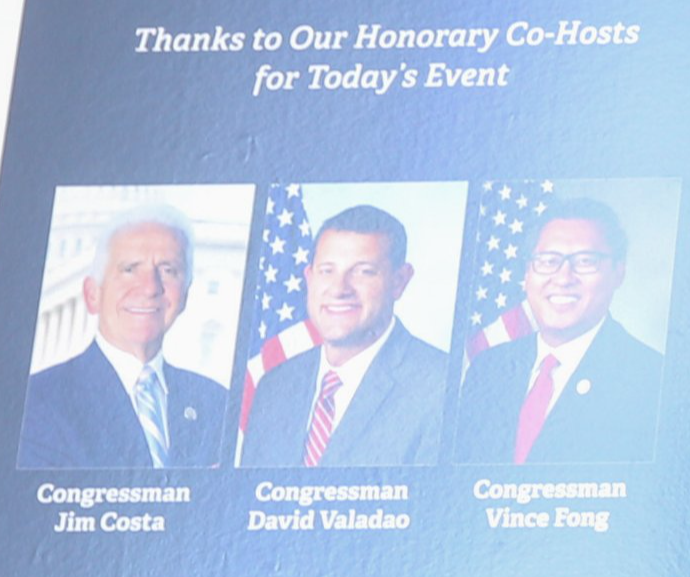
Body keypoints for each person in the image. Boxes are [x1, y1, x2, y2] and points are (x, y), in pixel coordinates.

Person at [451, 199, 663, 464]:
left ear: (618, 273)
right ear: (528, 273)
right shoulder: (488, 368)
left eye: (585, 261)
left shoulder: (652, 381)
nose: (563, 278)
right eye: (548, 261)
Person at [19, 206, 231, 469]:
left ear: (185, 294)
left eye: (168, 270)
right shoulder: (37, 402)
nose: (151, 287)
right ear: (92, 294)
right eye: (130, 269)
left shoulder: (218, 404)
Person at [236, 204, 448, 467]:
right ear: (309, 278)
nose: (339, 289)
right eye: (327, 270)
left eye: (363, 271)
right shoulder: (274, 386)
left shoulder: (441, 386)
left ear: (399, 281)